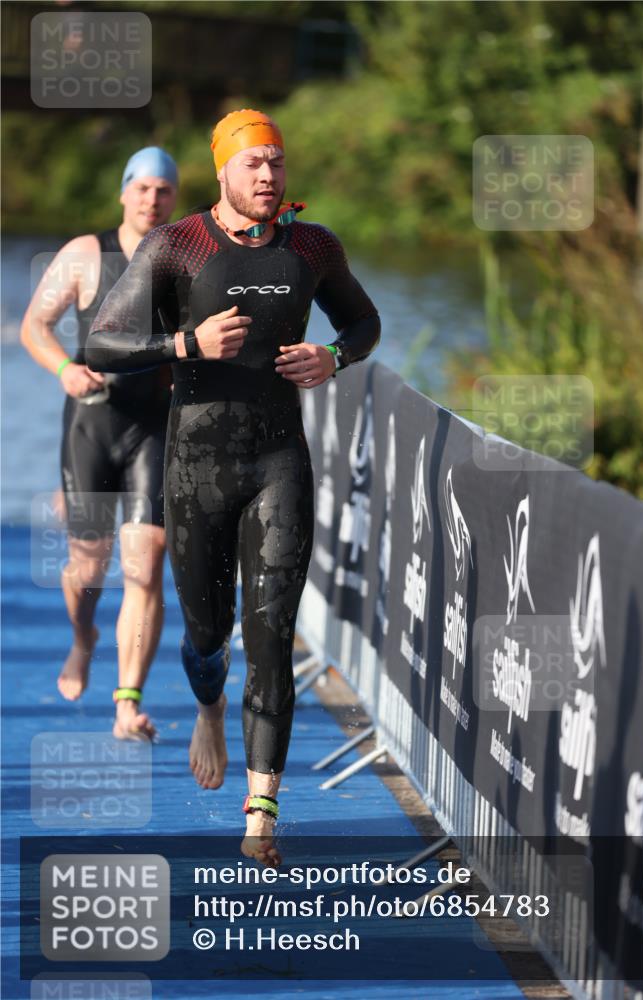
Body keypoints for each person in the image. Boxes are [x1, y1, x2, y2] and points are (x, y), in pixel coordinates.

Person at [87, 109, 380, 864]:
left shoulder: (312, 245)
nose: (267, 175)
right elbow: (100, 343)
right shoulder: (178, 244)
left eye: (277, 162)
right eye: (252, 163)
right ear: (222, 171)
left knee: (272, 636)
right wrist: (182, 342)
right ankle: (208, 708)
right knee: (208, 635)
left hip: (279, 460)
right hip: (196, 467)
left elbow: (363, 322)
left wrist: (334, 359)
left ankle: (261, 815)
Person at [20, 147, 179, 740]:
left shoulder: (187, 260)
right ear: (124, 193)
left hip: (155, 427)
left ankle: (127, 702)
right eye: (142, 188)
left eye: (164, 190)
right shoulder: (85, 254)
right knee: (89, 567)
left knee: (146, 564)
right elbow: (35, 325)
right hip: (92, 421)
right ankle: (83, 638)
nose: (152, 199)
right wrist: (64, 368)